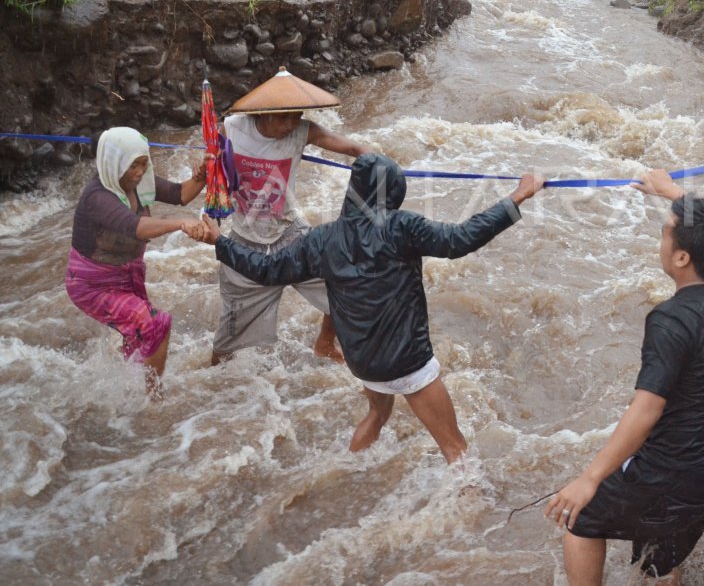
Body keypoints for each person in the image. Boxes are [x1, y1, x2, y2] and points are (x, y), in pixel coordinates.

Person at [190, 152, 544, 459]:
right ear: (392, 190)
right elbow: (461, 239)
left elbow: (267, 270)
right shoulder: (402, 227)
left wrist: (221, 242)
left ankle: (349, 472)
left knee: (376, 417)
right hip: (407, 361)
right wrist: (519, 195)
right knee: (455, 448)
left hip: (362, 361)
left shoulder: (321, 238)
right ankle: (472, 515)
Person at [544, 169, 704, 585]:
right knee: (656, 561)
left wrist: (589, 479)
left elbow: (647, 408)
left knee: (580, 520)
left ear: (681, 258)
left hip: (672, 471)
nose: (662, 239)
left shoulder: (671, 320)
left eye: (666, 233)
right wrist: (674, 194)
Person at [212, 68, 371, 366]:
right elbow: (210, 164)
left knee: (344, 281)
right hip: (245, 239)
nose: (290, 125)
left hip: (288, 233)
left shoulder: (302, 131)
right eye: (284, 117)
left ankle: (324, 343)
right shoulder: (231, 128)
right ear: (262, 113)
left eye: (295, 116)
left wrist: (375, 161)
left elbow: (351, 147)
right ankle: (213, 383)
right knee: (227, 338)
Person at [65, 127, 207, 394]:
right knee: (156, 323)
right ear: (115, 163)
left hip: (125, 275)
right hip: (91, 284)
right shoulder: (97, 197)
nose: (141, 171)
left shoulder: (140, 182)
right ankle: (153, 397)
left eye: (144, 163)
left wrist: (202, 176)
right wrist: (181, 224)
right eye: (134, 166)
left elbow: (181, 194)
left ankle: (127, 389)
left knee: (140, 333)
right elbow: (135, 227)